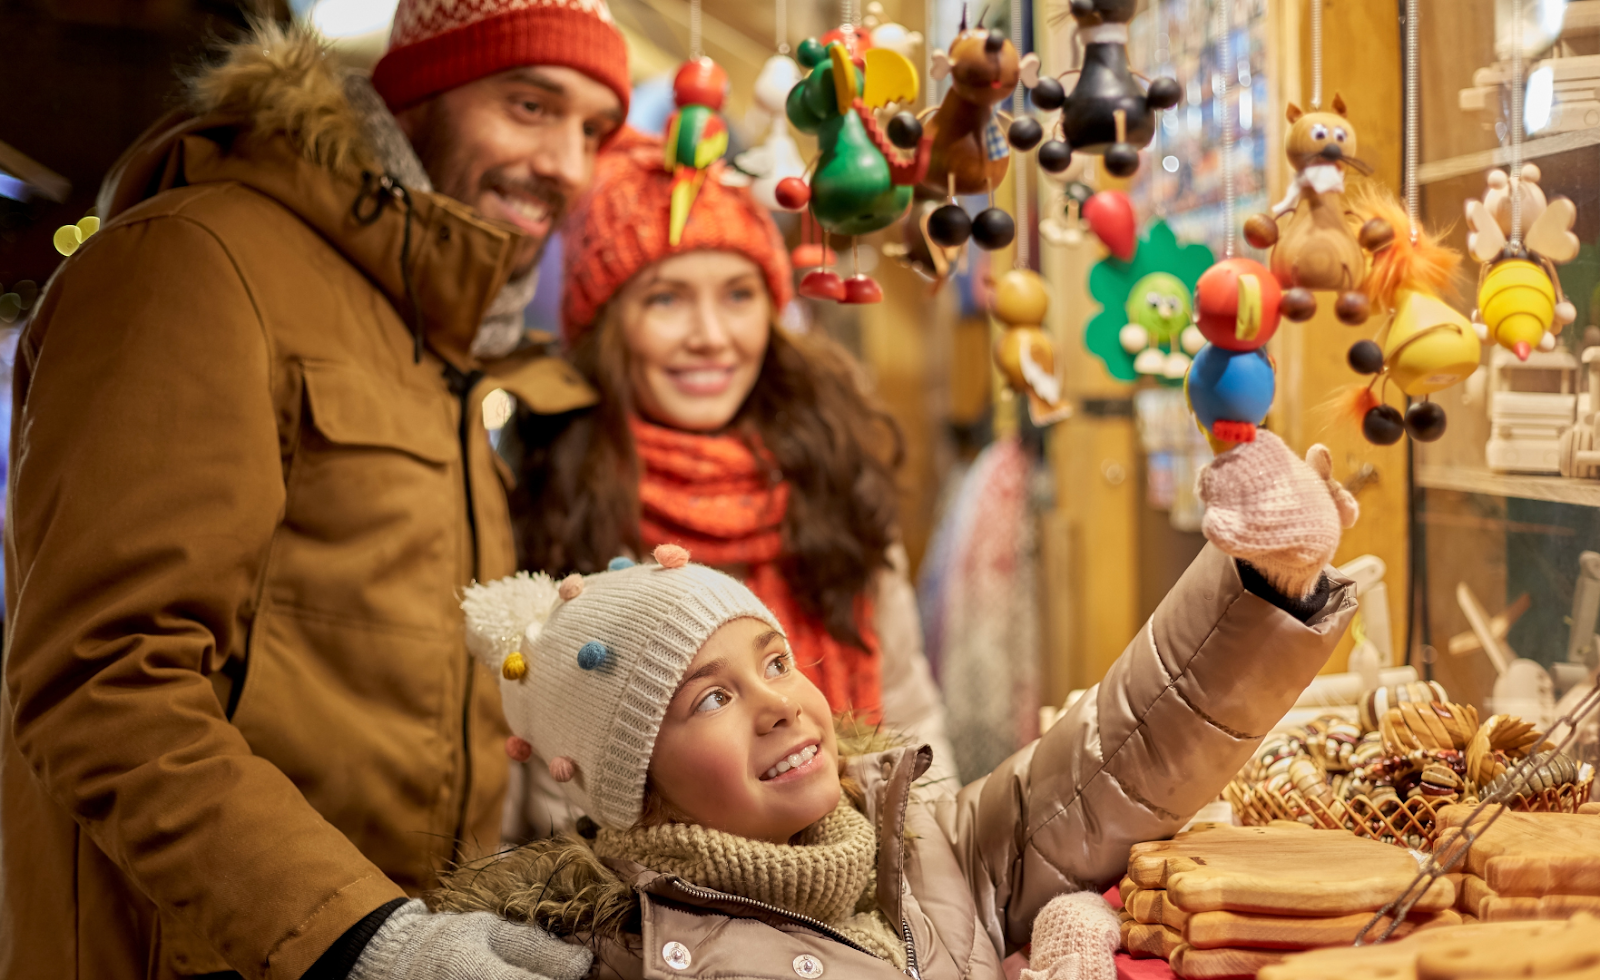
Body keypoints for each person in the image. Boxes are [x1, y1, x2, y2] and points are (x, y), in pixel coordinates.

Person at [1, 0, 633, 975]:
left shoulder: (430, 331)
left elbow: (371, 673)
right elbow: (104, 676)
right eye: (528, 104)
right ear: (417, 101)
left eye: (593, 128)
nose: (569, 164)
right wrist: (363, 936)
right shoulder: (194, 260)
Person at [437, 436, 1360, 980]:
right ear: (637, 786)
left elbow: (1111, 761)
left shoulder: (922, 848)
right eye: (711, 698)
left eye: (775, 660)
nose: (777, 706)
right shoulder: (630, 958)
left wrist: (1260, 584)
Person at [503, 130, 955, 833]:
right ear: (604, 323)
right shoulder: (552, 499)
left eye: (739, 294)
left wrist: (930, 884)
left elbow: (909, 715)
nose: (711, 334)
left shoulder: (829, 469)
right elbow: (546, 798)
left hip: (866, 876)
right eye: (666, 300)